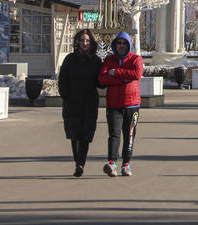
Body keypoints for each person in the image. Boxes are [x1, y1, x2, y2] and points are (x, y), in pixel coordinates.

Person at [57, 29, 103, 177]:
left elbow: (100, 83)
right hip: (72, 103)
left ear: (91, 43)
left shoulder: (96, 61)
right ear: (77, 42)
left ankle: (80, 164)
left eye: (87, 40)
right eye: (82, 40)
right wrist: (66, 96)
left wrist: (108, 74)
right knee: (74, 134)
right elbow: (62, 79)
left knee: (86, 135)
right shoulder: (70, 59)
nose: (84, 43)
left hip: (89, 103)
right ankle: (78, 163)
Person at [98, 31, 143, 177]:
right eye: (119, 43)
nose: (121, 46)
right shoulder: (109, 60)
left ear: (129, 45)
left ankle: (126, 164)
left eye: (124, 43)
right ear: (115, 44)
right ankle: (112, 163)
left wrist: (115, 73)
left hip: (132, 104)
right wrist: (123, 79)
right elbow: (102, 79)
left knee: (129, 135)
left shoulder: (136, 59)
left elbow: (136, 75)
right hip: (113, 105)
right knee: (114, 135)